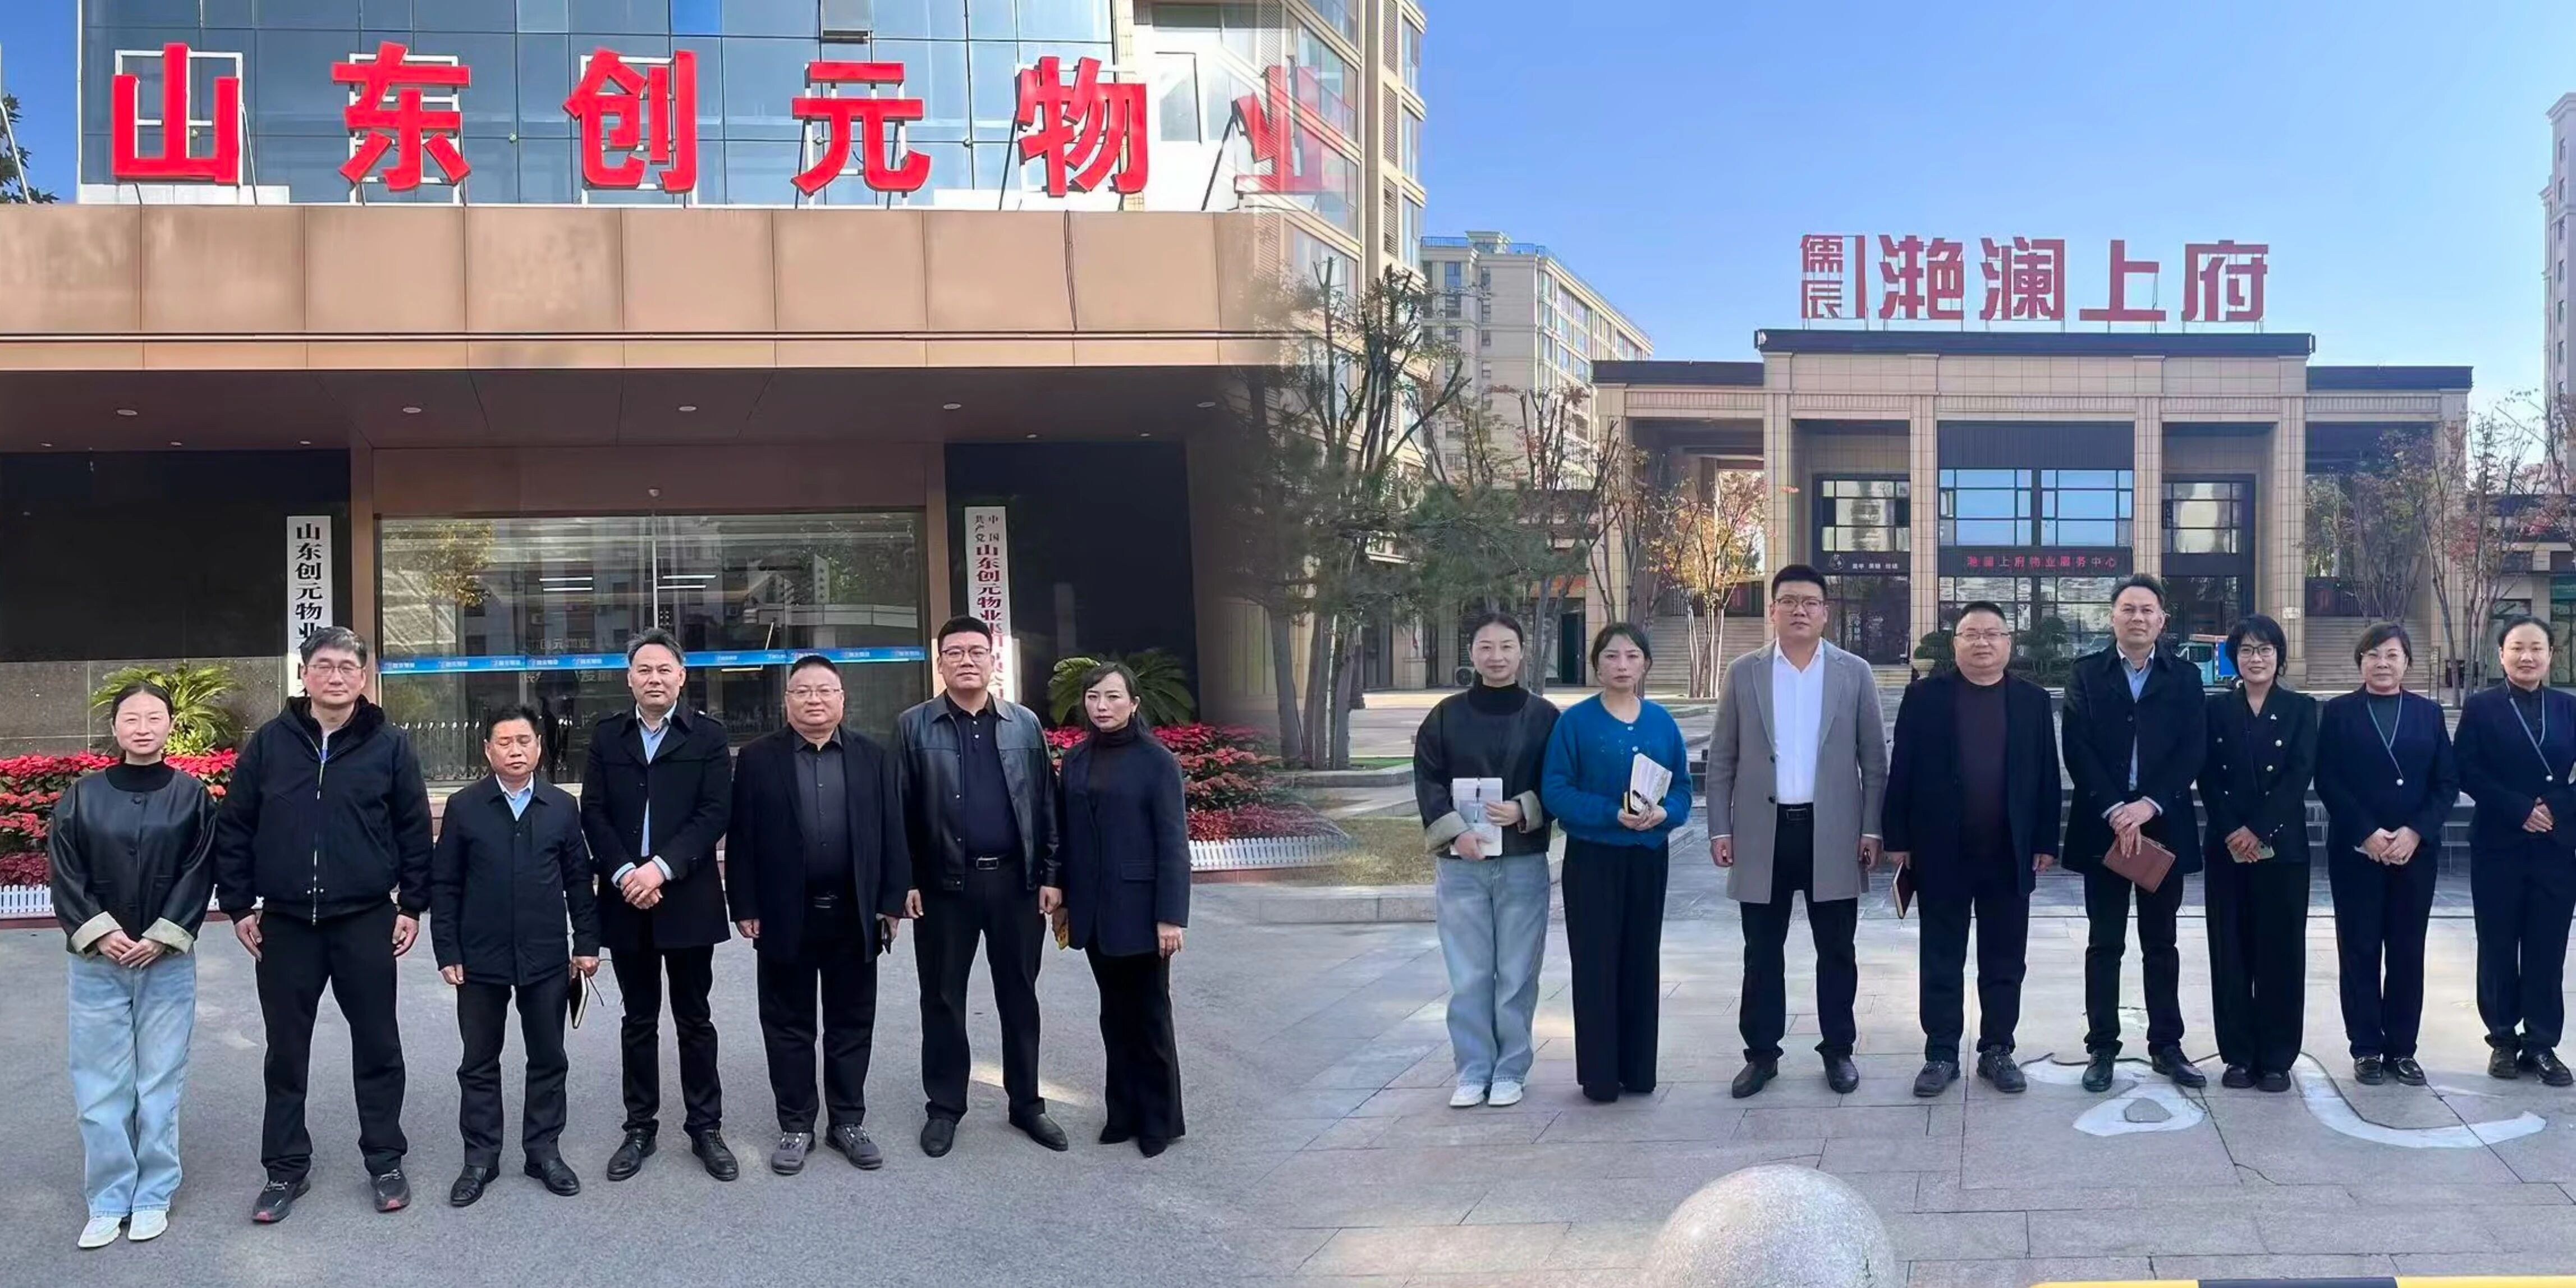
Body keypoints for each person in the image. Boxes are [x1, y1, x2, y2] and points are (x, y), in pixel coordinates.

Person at [214, 626, 435, 1222]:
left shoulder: (389, 745)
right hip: (287, 923)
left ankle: (385, 1160)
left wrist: (411, 905)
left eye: (347, 667)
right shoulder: (271, 743)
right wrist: (239, 906)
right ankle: (285, 1168)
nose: (336, 676)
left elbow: (414, 829)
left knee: (379, 1045)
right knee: (286, 1052)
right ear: (304, 674)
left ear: (363, 678)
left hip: (365, 918)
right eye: (324, 665)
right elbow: (235, 825)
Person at [1707, 565, 1889, 1099]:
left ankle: (1838, 1050)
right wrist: (1720, 828)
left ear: (1826, 612)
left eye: (1810, 602)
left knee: (1837, 949)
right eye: (1788, 601)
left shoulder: (1854, 673)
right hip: (1763, 833)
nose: (1800, 610)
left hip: (1832, 832)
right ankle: (1762, 1054)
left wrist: (1872, 828)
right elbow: (1722, 758)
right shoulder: (1745, 672)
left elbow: (1874, 760)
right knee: (1761, 950)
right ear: (1773, 610)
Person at [728, 656, 910, 1176]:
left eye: (825, 690)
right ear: (786, 700)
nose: (814, 700)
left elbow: (892, 830)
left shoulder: (873, 755)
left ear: (842, 698)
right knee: (788, 1023)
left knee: (851, 1021)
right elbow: (741, 836)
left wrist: (890, 900)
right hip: (785, 912)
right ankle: (796, 1123)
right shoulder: (759, 759)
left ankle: (848, 1120)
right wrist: (745, 905)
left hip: (854, 909)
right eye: (803, 691)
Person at [50, 682, 217, 1249]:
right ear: (115, 727)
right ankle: (107, 1196)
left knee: (160, 1082)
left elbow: (200, 870)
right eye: (131, 718)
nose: (143, 728)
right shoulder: (81, 796)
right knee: (100, 1086)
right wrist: (101, 933)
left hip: (165, 963)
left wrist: (164, 935)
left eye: (153, 717)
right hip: (97, 963)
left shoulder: (192, 797)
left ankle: (153, 1194)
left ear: (170, 725)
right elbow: (65, 869)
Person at [896, 616, 1067, 1156]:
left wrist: (1052, 876)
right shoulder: (914, 726)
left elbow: (1046, 804)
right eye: (955, 652)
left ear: (994, 660)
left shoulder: (1024, 724)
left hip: (1017, 884)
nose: (966, 660)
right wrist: (906, 880)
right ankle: (945, 1107)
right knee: (943, 997)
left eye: (976, 651)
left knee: (1020, 995)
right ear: (940, 662)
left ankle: (1027, 1104)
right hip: (944, 887)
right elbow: (899, 810)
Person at [1881, 602, 2059, 1098]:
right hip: (1941, 849)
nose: (1982, 643)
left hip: (2009, 850)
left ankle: (1997, 1049)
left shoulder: (2032, 701)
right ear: (1955, 643)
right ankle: (1940, 1051)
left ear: (2009, 643)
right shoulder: (1925, 697)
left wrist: (2046, 839)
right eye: (1971, 634)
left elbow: (2047, 773)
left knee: (2005, 958)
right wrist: (1898, 837)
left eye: (1993, 634)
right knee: (1941, 955)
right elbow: (1903, 768)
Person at [581, 629, 737, 1181]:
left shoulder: (708, 736)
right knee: (638, 1019)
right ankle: (639, 1128)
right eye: (644, 670)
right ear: (629, 678)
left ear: (682, 676)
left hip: (686, 894)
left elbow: (714, 812)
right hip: (627, 897)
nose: (654, 678)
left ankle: (705, 1127)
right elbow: (593, 811)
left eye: (664, 669)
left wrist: (660, 868)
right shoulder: (608, 736)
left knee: (695, 1017)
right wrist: (627, 872)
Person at [430, 705, 600, 1207]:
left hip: (545, 954)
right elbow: (446, 883)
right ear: (488, 751)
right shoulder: (464, 806)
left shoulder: (561, 806)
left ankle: (543, 1150)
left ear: (540, 747)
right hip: (478, 957)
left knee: (548, 1057)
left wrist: (586, 943)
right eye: (504, 742)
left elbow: (578, 880)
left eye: (524, 740)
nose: (515, 750)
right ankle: (480, 1157)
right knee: (479, 1061)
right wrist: (447, 949)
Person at [2060, 575, 2208, 1093]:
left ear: (2162, 619)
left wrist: (2148, 804)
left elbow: (2193, 748)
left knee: (2161, 941)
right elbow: (2076, 747)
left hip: (2162, 825)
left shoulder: (2185, 677)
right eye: (2128, 608)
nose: (2138, 617)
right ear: (2113, 617)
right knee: (2104, 941)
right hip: (2105, 825)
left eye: (2148, 609)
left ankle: (2167, 1045)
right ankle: (2102, 1046)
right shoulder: (2085, 674)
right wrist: (2117, 809)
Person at [1539, 622, 1693, 1103]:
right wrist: (1611, 814)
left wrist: (1666, 814)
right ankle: (1600, 1075)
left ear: (1645, 664)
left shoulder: (1661, 722)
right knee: (1595, 962)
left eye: (1631, 656)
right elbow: (1556, 789)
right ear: (1597, 665)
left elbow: (1684, 788)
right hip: (1593, 858)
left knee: (1641, 960)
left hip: (1647, 856)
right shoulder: (1576, 723)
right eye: (1611, 656)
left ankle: (1639, 1070)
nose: (1622, 665)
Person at [1414, 612, 1561, 1110]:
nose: (1496, 656)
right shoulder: (1444, 716)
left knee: (1517, 972)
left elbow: (1559, 780)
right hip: (1462, 864)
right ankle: (1473, 1069)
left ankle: (1511, 1069)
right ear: (1471, 653)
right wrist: (1457, 833)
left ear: (1522, 651)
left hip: (1521, 861)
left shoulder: (1544, 717)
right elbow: (1428, 779)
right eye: (1485, 647)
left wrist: (1525, 808)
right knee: (1469, 973)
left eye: (1506, 646)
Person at [1055, 663, 1192, 1156]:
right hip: (1093, 910)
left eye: (1113, 696)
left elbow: (1173, 843)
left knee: (1150, 1016)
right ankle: (1123, 1112)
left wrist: (1171, 915)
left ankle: (1159, 1119)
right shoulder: (1076, 759)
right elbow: (1066, 835)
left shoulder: (1157, 761)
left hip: (1143, 910)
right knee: (1113, 1016)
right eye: (1094, 696)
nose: (1102, 706)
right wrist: (1063, 897)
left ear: (1134, 703)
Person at [2315, 622, 2456, 1087]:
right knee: (2359, 949)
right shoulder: (2338, 712)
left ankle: (2402, 1048)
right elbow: (2328, 778)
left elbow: (2445, 783)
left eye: (2392, 655)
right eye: (2373, 655)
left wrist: (2415, 832)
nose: (2382, 663)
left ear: (2407, 662)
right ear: (2360, 662)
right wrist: (2367, 832)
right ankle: (2366, 1047)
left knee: (2406, 951)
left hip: (2415, 854)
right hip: (2357, 852)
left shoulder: (2428, 713)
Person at [2195, 615, 2320, 1094]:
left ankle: (2276, 1058)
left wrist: (2259, 828)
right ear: (2234, 657)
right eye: (2246, 649)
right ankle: (2238, 1055)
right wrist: (2233, 830)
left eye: (2266, 649)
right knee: (2230, 952)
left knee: (2281, 953)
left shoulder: (2301, 708)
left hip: (2282, 849)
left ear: (2279, 656)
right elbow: (2207, 774)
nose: (2256, 658)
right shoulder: (2214, 710)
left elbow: (2299, 773)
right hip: (2227, 848)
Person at [2455, 614, 2576, 1085]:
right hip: (2498, 842)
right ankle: (2503, 1040)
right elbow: (2466, 769)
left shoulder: (2568, 708)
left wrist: (2555, 807)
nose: (2527, 657)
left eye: (2537, 648)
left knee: (2548, 946)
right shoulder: (2481, 707)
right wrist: (2519, 808)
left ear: (2550, 655)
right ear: (2501, 654)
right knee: (2498, 944)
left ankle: (2542, 1042)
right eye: (2517, 648)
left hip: (2555, 844)